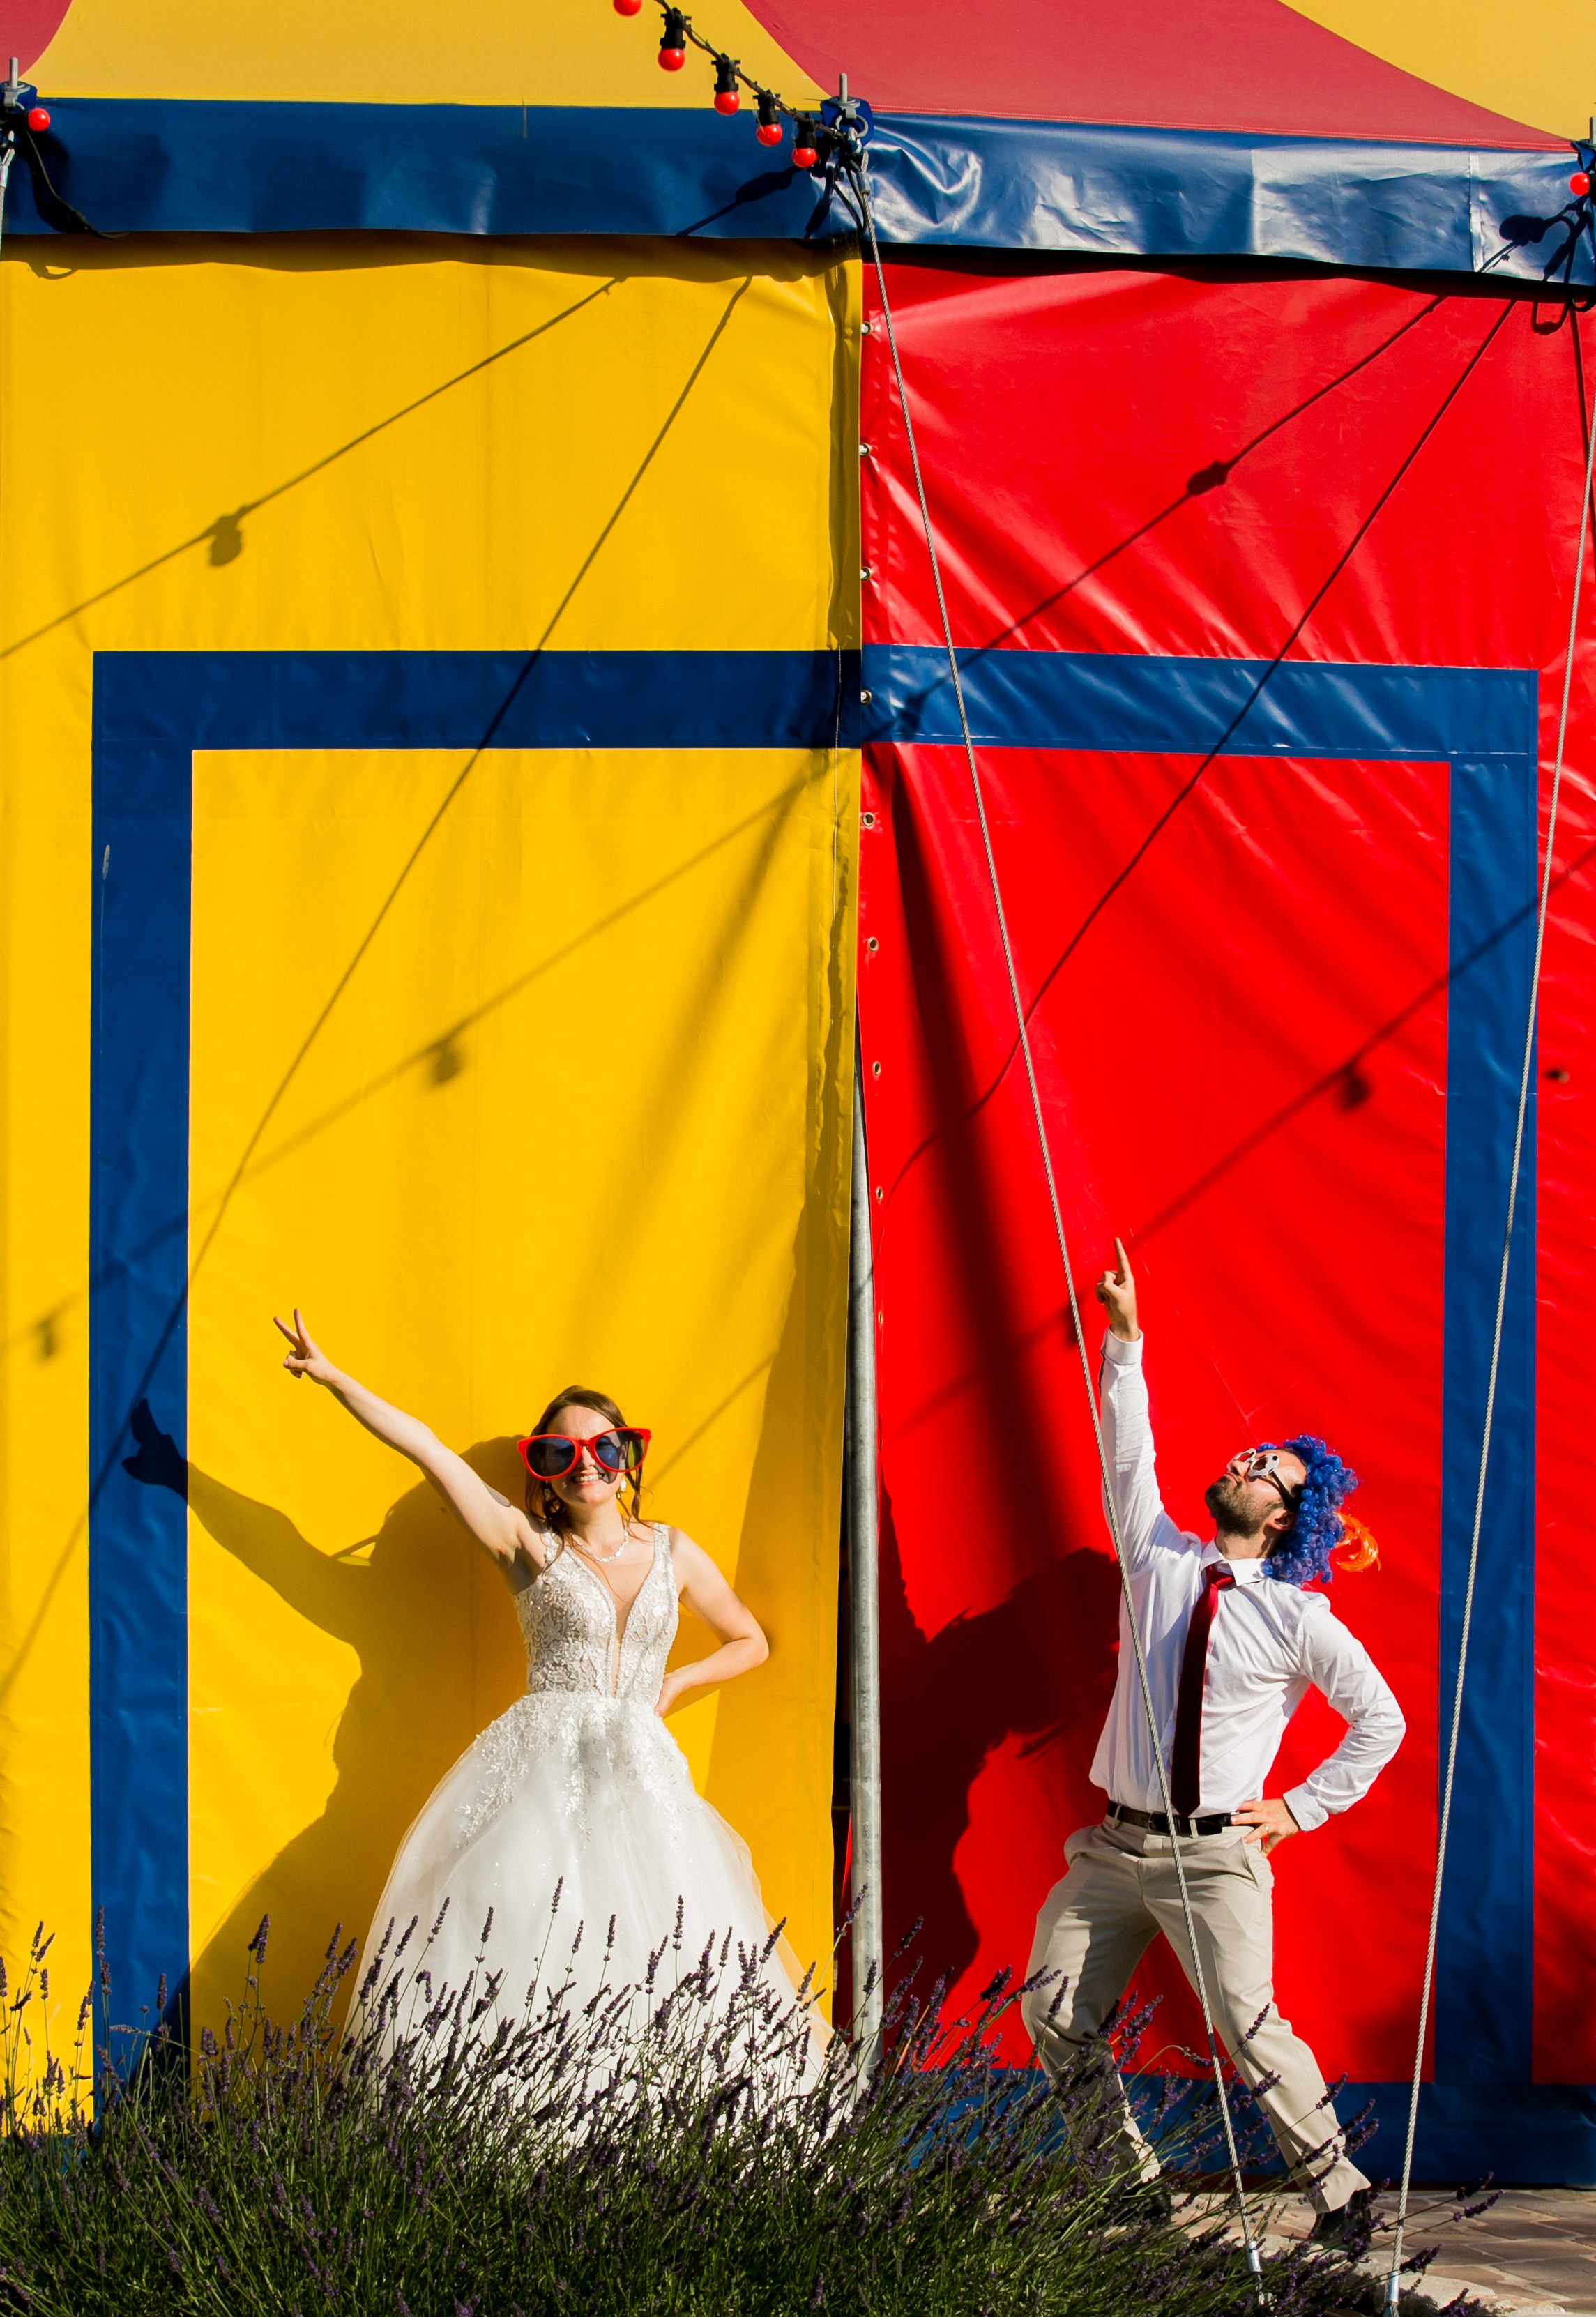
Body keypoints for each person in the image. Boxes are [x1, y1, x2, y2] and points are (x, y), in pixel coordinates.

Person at [273, 1309, 814, 2060]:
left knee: (663, 1947)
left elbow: (750, 1638)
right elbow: (428, 1448)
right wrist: (334, 1378)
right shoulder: (527, 1545)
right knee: (540, 1938)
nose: (587, 1461)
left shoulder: (677, 1552)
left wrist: (677, 1683)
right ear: (545, 1472)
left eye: (604, 1445)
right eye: (563, 1449)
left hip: (645, 1778)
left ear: (627, 1457)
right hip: (541, 1776)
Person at [1020, 1243, 1404, 2244]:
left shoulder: (1295, 1615)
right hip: (1112, 1848)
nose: (1241, 1458)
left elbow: (1382, 1718)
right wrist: (1124, 1337)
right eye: (1243, 1453)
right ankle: (1127, 2182)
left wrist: (1298, 1805)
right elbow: (1127, 1453)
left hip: (1211, 1855)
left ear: (1283, 1513)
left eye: (1262, 1464)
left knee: (1248, 2024)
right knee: (1051, 2007)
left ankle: (1341, 2192)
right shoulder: (1156, 1555)